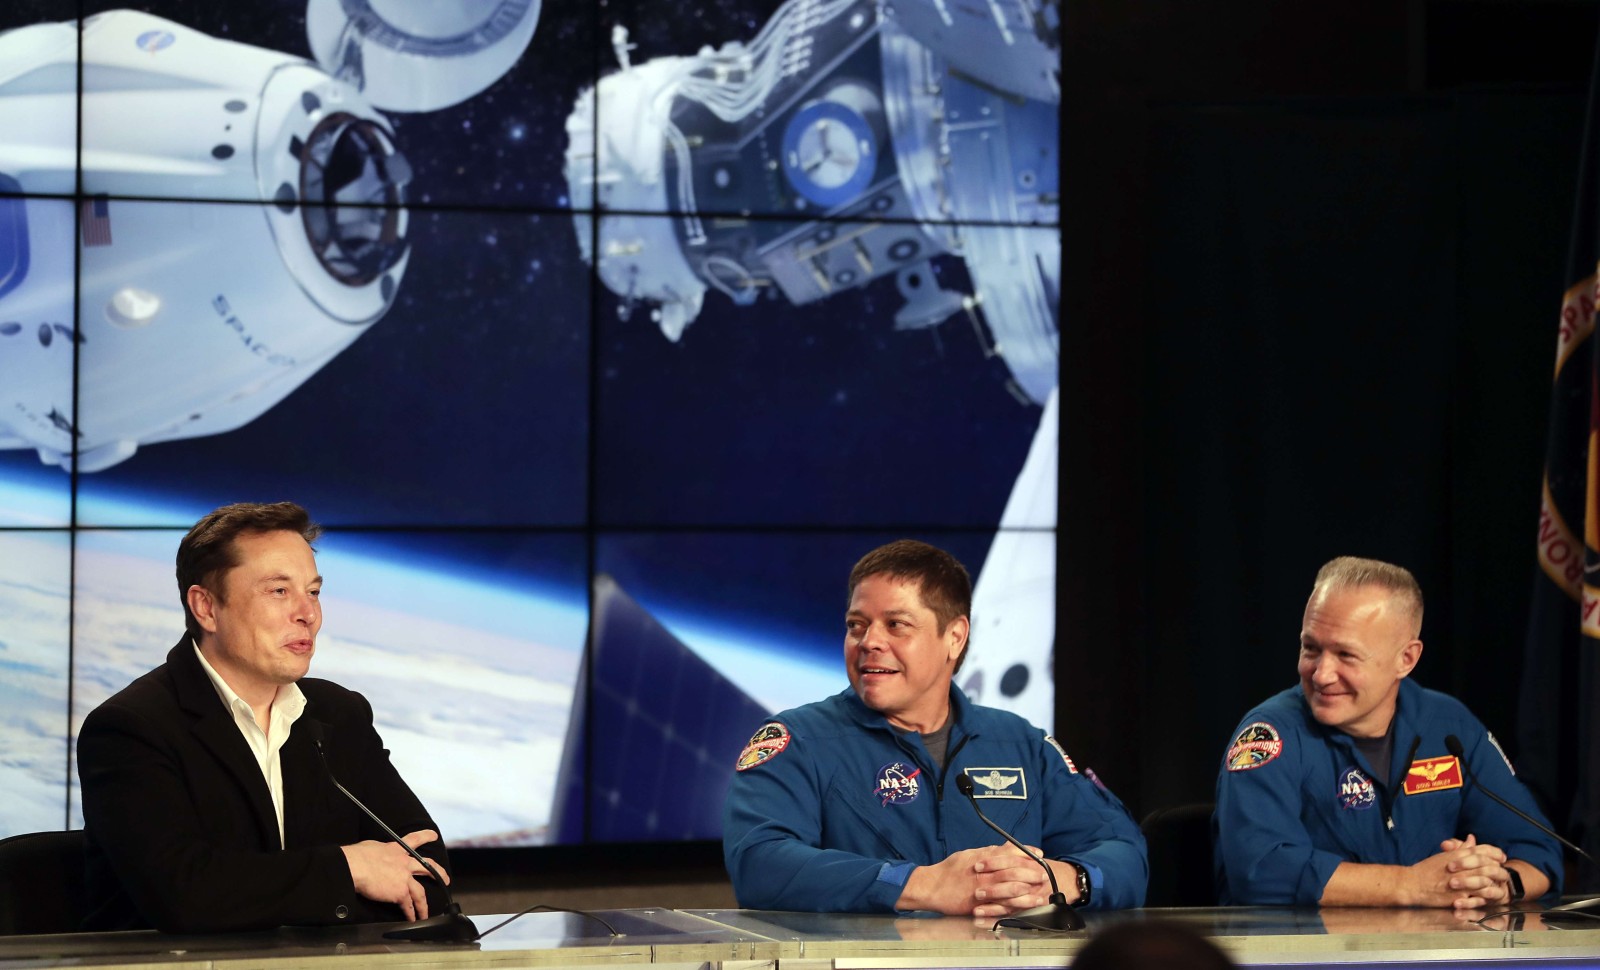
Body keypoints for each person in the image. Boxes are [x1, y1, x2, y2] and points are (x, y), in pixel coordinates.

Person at [77, 501, 450, 933]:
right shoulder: (133, 727)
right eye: (279, 591)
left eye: (313, 592)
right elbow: (184, 897)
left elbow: (430, 873)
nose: (307, 614)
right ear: (206, 608)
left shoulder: (338, 715)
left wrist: (271, 895)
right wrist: (349, 870)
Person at [722, 539, 1147, 916]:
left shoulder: (1022, 744)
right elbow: (760, 864)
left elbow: (1126, 854)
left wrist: (1061, 879)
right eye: (856, 625)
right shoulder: (799, 741)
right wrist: (920, 885)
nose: (869, 640)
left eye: (896, 624)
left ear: (955, 637)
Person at [1213, 556, 1563, 909]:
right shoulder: (1268, 735)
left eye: (1346, 655)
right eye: (1311, 649)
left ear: (1406, 660)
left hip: (1431, 960)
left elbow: (1538, 851)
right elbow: (1260, 871)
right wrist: (1411, 885)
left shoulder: (1449, 727)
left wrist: (1497, 885)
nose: (1321, 674)